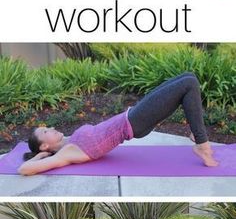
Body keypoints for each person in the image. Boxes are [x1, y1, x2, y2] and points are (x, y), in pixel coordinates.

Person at [18, 73, 218, 176]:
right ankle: (202, 144)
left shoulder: (69, 142)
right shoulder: (66, 154)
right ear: (44, 145)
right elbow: (24, 170)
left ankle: (196, 132)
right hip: (134, 122)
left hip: (133, 115)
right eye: (45, 131)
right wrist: (41, 156)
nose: (51, 128)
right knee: (189, 85)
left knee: (189, 77)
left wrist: (42, 152)